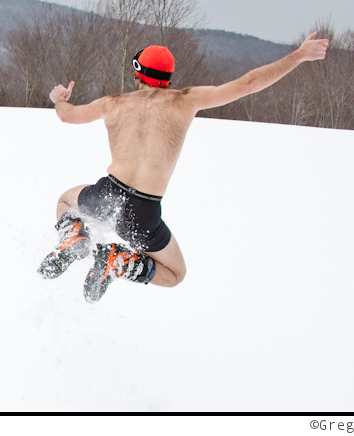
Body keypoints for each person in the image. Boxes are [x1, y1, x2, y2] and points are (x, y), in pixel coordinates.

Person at [38, 32, 330, 302]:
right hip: (143, 213)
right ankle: (117, 262)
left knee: (66, 201)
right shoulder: (185, 100)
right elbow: (250, 83)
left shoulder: (113, 103)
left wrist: (58, 100)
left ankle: (74, 235)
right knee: (175, 275)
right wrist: (300, 55)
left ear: (137, 72)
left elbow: (68, 115)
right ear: (168, 77)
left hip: (107, 194)